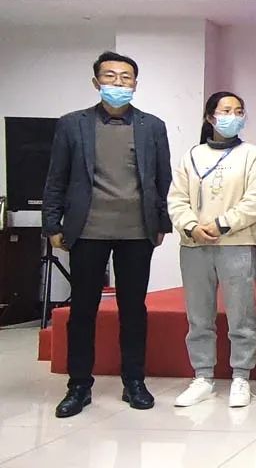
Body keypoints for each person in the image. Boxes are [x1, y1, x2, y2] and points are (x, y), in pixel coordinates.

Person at [43, 51, 172, 418]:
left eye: (126, 77)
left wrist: (162, 223)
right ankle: (78, 386)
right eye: (111, 76)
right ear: (96, 82)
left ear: (135, 84)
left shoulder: (152, 126)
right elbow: (56, 178)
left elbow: (163, 178)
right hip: (87, 229)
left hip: (136, 230)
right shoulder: (73, 124)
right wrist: (52, 224)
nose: (118, 83)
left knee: (134, 309)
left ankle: (134, 381)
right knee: (83, 309)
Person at [168, 92, 256, 408]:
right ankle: (203, 376)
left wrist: (222, 224)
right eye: (226, 111)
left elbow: (255, 201)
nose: (232, 116)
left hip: (236, 243)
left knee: (242, 314)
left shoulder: (251, 154)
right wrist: (191, 226)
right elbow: (176, 198)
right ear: (210, 117)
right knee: (199, 315)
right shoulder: (192, 155)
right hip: (195, 244)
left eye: (239, 111)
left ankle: (241, 376)